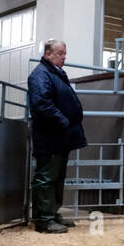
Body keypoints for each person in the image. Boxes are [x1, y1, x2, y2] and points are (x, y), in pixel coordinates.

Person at [28, 39, 86, 233]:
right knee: (46, 176)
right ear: (48, 54)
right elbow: (41, 104)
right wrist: (63, 121)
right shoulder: (41, 74)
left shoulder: (53, 73)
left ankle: (52, 213)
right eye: (60, 53)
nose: (64, 57)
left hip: (59, 136)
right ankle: (44, 219)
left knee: (56, 176)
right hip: (50, 135)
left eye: (64, 53)